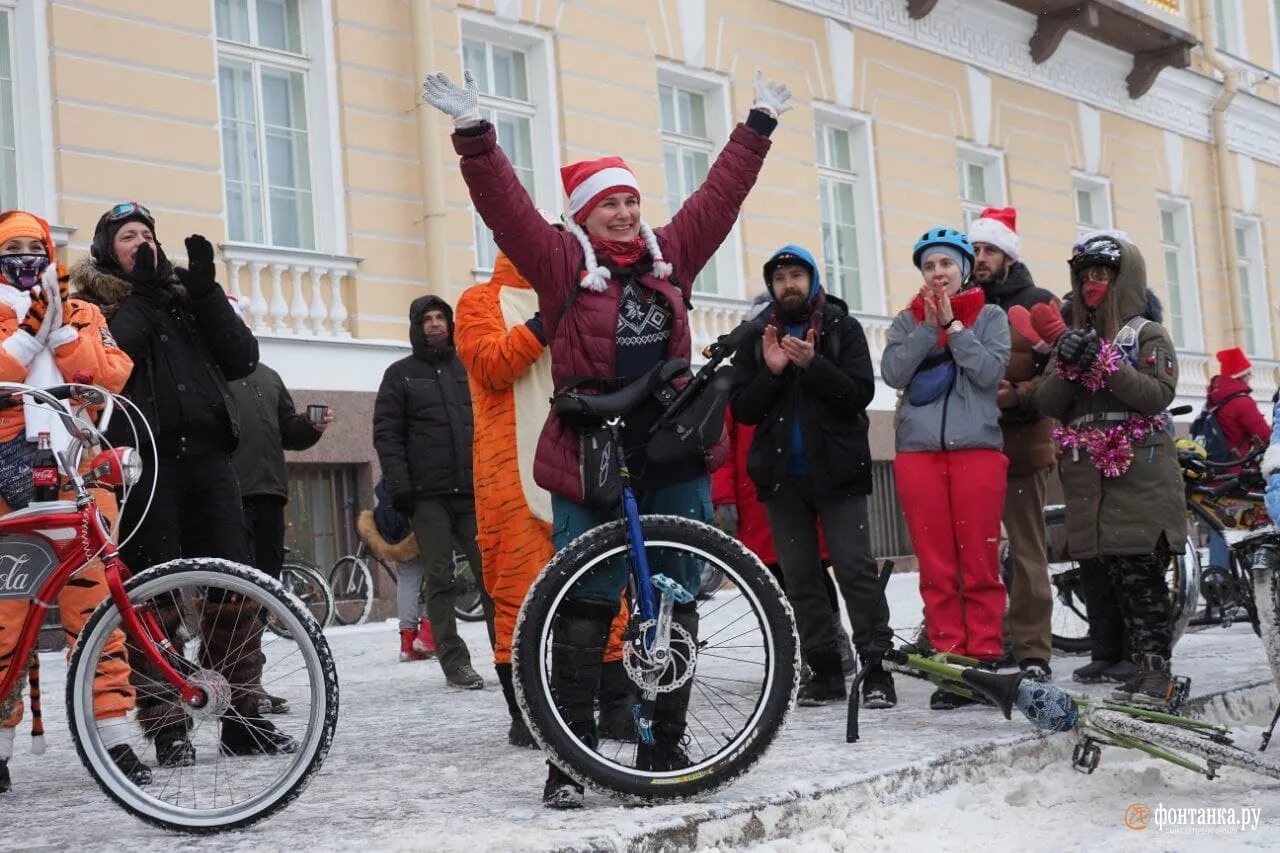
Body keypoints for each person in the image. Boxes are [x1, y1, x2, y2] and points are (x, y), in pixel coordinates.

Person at [422, 65, 790, 808]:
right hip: (591, 447)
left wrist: (755, 127)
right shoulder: (561, 266)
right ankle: (571, 755)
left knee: (677, 596)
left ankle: (664, 739)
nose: (623, 214)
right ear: (584, 218)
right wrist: (474, 135)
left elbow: (720, 198)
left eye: (629, 201)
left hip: (674, 442)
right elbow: (509, 211)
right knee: (583, 603)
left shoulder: (670, 255)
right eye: (607, 205)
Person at [70, 202, 291, 764]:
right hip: (145, 464)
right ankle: (167, 725)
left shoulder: (183, 300)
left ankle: (242, 717)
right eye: (127, 236)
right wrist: (143, 294)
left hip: (212, 460)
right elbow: (112, 357)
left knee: (234, 590)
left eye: (147, 233)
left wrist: (208, 293)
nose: (141, 242)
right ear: (105, 250)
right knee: (154, 594)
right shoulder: (93, 306)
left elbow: (242, 358)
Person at [0, 210, 146, 792]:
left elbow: (110, 376)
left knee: (100, 614)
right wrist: (25, 336)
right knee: (6, 619)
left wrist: (60, 334)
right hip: (7, 482)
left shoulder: (84, 311)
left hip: (77, 475)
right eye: (14, 246)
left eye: (35, 245)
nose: (26, 255)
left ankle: (114, 739)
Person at [729, 246, 894, 708]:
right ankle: (824, 672)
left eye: (796, 275)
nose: (788, 285)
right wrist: (774, 372)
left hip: (838, 474)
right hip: (783, 479)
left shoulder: (843, 328)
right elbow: (743, 408)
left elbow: (859, 392)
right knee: (801, 579)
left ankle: (877, 669)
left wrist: (813, 365)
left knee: (855, 570)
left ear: (814, 279)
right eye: (779, 278)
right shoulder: (756, 338)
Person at [1034, 233, 1186, 706]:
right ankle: (1138, 668)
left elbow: (1157, 394)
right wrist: (1067, 364)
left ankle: (1156, 673)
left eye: (1102, 275)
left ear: (1124, 280)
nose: (1092, 284)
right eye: (1085, 276)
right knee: (1117, 578)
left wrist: (1105, 363)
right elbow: (1046, 401)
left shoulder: (1146, 335)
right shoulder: (1073, 338)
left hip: (1140, 475)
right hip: (1093, 480)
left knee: (1143, 580)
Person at [880, 228, 1011, 709]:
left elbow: (988, 373)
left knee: (977, 557)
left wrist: (955, 328)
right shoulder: (904, 321)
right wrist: (925, 329)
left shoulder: (991, 317)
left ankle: (986, 653)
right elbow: (894, 373)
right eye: (929, 266)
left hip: (975, 449)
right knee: (935, 563)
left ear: (963, 269)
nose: (938, 274)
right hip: (919, 454)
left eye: (946, 265)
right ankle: (951, 661)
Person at [372, 294, 491, 691]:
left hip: (474, 490)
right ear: (416, 327)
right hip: (427, 495)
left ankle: (509, 651)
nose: (436, 324)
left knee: (492, 574)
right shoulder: (399, 374)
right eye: (428, 319)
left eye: (441, 318)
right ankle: (455, 663)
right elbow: (387, 436)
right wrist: (400, 486)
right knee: (440, 578)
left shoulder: (468, 367)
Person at [967, 207, 1058, 681]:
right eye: (976, 249)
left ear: (1008, 255)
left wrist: (1018, 395)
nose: (980, 259)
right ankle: (987, 642)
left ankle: (1032, 650)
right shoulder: (961, 303)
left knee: (1026, 554)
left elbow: (1062, 377)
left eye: (989, 250)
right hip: (969, 449)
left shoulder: (1039, 301)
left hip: (1021, 447)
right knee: (975, 552)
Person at [711, 405, 854, 680]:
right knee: (772, 578)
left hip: (800, 485)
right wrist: (724, 495)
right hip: (755, 493)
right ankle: (789, 646)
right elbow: (722, 442)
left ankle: (830, 637)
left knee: (811, 571)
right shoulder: (740, 378)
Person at [228, 358, 331, 714]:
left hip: (269, 492)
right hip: (226, 495)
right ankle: (234, 686)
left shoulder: (267, 375)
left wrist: (309, 425)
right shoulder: (204, 366)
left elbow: (288, 430)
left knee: (263, 594)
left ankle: (249, 683)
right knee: (232, 598)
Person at [1203, 347, 1271, 573]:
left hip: (1217, 473)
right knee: (1247, 527)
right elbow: (1267, 437)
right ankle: (1245, 580)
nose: (1251, 377)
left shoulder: (1214, 400)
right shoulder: (1241, 402)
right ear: (1241, 375)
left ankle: (1217, 580)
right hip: (1237, 476)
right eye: (1248, 373)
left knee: (1219, 527)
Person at [356, 479, 436, 663]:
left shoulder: (392, 471)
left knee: (407, 580)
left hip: (396, 527)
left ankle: (407, 645)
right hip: (422, 518)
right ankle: (427, 636)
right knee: (441, 574)